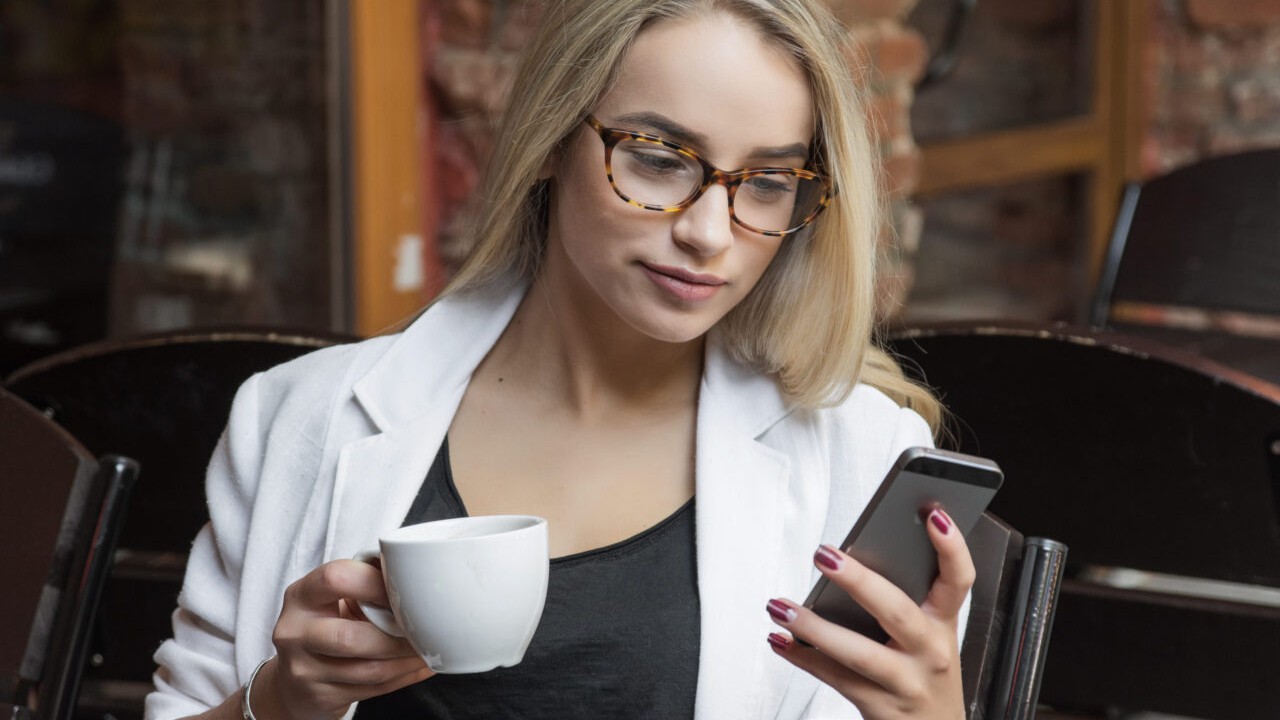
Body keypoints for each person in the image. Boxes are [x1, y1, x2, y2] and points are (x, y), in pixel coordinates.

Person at [146, 0, 975, 718]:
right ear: (549, 138)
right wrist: (281, 704)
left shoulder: (859, 462)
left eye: (766, 182)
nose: (708, 233)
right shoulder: (300, 418)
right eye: (656, 159)